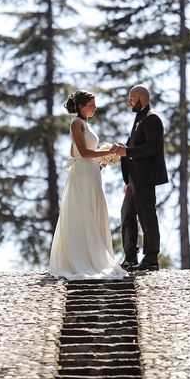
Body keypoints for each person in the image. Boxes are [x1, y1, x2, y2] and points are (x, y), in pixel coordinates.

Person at [49, 90, 127, 280]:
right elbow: (83, 153)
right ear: (81, 106)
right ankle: (84, 259)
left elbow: (73, 152)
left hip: (91, 173)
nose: (95, 108)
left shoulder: (85, 124)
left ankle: (93, 256)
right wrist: (107, 152)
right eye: (91, 105)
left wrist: (101, 160)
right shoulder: (76, 123)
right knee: (84, 212)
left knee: (93, 210)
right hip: (83, 174)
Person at [114, 85, 168, 271]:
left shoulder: (152, 118)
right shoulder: (140, 117)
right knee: (126, 214)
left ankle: (151, 259)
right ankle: (130, 257)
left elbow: (153, 147)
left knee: (147, 216)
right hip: (133, 179)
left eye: (132, 97)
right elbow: (137, 146)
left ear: (141, 98)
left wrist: (126, 151)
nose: (129, 101)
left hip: (145, 178)